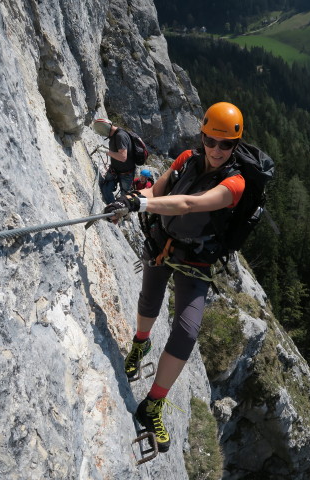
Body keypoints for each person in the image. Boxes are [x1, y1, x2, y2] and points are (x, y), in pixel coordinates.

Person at [103, 102, 246, 452]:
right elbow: (160, 190)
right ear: (203, 136)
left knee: (186, 330)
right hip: (162, 243)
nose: (216, 150)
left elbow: (188, 205)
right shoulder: (186, 159)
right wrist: (133, 198)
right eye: (211, 141)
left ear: (235, 147)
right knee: (148, 300)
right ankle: (140, 345)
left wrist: (142, 206)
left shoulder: (235, 183)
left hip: (195, 261)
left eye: (225, 145)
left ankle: (152, 405)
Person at [98, 123, 137, 203]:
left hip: (126, 173)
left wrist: (107, 151)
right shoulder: (116, 134)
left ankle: (118, 211)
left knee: (125, 198)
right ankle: (113, 208)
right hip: (115, 170)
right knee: (106, 189)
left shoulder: (120, 136)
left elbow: (123, 157)